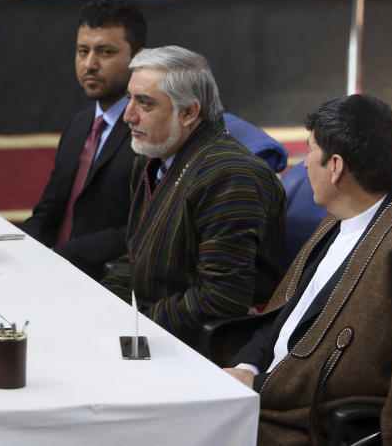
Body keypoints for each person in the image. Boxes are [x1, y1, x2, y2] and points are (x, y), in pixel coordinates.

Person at [222, 94, 392, 445]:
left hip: (295, 422)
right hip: (265, 389)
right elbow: (285, 314)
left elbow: (367, 372)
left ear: (336, 167)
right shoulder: (344, 216)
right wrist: (247, 367)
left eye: (310, 152)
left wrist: (259, 385)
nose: (303, 166)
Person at [100, 46, 285, 345]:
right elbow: (137, 259)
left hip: (192, 351)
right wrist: (100, 305)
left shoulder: (230, 177)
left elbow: (221, 298)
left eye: (144, 103)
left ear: (188, 113)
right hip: (155, 330)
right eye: (128, 99)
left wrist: (134, 323)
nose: (127, 116)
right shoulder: (153, 160)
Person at [21, 0, 146, 279]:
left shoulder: (148, 134)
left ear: (138, 57)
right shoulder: (79, 125)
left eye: (105, 52)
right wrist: (17, 250)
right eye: (82, 51)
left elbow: (144, 231)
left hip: (106, 281)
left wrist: (64, 256)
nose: (90, 64)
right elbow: (46, 213)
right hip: (52, 270)